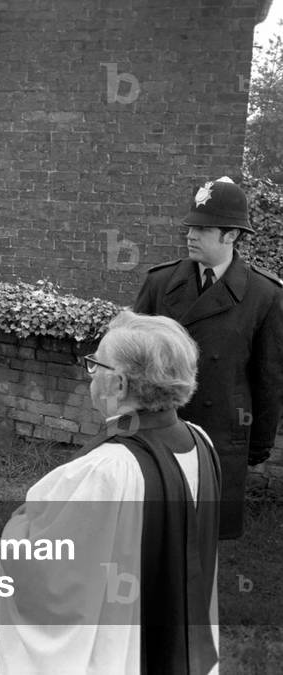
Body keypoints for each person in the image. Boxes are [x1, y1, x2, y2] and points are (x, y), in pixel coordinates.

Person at [0, 310, 221, 674]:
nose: (91, 374)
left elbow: (47, 567)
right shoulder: (201, 442)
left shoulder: (107, 470)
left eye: (95, 364)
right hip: (176, 635)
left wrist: (19, 527)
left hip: (121, 651)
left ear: (118, 385)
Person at [134, 176, 283, 539]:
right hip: (159, 429)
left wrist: (258, 444)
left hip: (220, 438)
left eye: (203, 228)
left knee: (201, 544)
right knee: (152, 534)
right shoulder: (160, 283)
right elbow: (131, 357)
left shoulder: (264, 295)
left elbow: (269, 378)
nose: (190, 235)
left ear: (231, 235)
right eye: (190, 227)